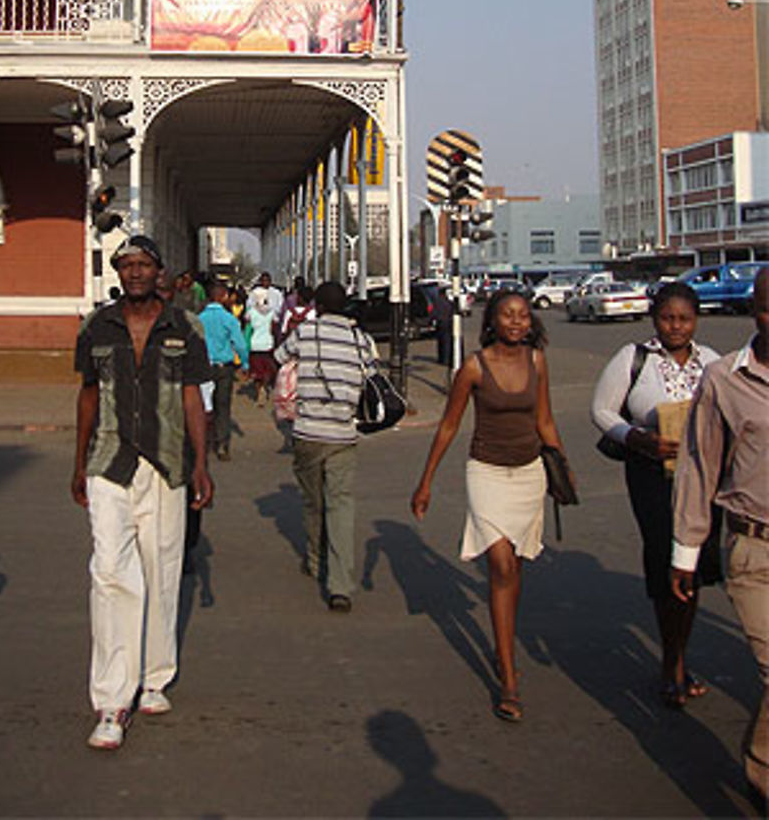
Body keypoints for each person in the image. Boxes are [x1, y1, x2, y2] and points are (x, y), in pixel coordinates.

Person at [71, 234, 214, 751]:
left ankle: (154, 674)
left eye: (143, 264)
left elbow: (194, 396)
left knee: (161, 569)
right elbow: (87, 395)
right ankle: (111, 699)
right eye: (125, 264)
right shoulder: (96, 327)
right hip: (109, 461)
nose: (134, 272)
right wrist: (78, 462)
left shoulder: (186, 327)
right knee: (110, 573)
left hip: (167, 463)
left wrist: (201, 464)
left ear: (160, 273)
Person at [410, 289, 570, 723]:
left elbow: (545, 421)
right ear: (492, 322)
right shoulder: (473, 368)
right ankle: (507, 677)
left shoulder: (537, 362)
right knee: (500, 564)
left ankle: (504, 643)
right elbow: (448, 426)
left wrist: (562, 467)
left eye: (523, 315)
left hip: (530, 474)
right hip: (486, 474)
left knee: (514, 568)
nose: (516, 322)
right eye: (507, 315)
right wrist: (425, 482)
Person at [591, 281, 720, 707]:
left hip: (703, 480)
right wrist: (635, 439)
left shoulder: (714, 364)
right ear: (654, 318)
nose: (676, 327)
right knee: (666, 560)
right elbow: (602, 410)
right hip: (652, 476)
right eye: (667, 318)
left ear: (696, 320)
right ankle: (672, 663)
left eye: (684, 319)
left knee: (693, 567)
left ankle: (679, 654)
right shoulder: (635, 359)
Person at [671, 266, 769, 804]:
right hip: (754, 549)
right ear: (753, 313)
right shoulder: (726, 379)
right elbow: (699, 466)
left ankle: (760, 767)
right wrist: (685, 554)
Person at [275, 280, 377, 612]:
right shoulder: (361, 340)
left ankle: (317, 560)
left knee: (313, 501)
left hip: (307, 431)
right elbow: (371, 377)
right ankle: (341, 585)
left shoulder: (306, 333)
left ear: (316, 305)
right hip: (344, 434)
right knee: (341, 506)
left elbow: (280, 357)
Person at [199, 282, 249, 462]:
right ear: (221, 297)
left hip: (203, 367)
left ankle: (203, 444)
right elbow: (240, 344)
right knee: (223, 406)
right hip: (224, 367)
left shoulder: (199, 318)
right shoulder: (229, 319)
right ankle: (221, 445)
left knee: (204, 406)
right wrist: (244, 363)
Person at [245, 280, 279, 405]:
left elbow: (247, 323)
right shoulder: (271, 313)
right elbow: (275, 325)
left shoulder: (251, 313)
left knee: (256, 369)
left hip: (255, 345)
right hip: (268, 344)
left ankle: (259, 389)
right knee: (267, 369)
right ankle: (265, 386)